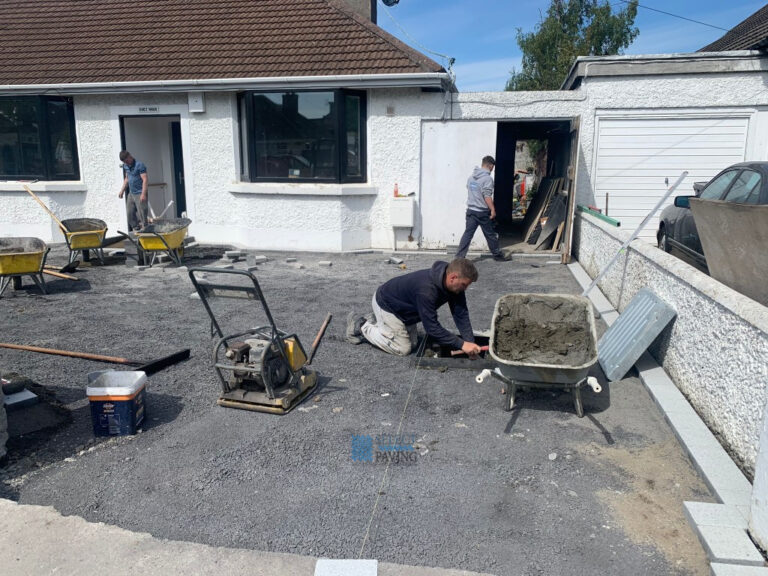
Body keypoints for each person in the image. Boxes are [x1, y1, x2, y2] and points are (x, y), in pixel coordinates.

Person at [346, 258, 483, 358]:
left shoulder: (455, 286)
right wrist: (461, 344)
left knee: (414, 344)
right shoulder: (427, 290)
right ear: (453, 277)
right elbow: (432, 328)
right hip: (387, 305)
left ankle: (378, 321)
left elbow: (461, 314)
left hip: (404, 309)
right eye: (465, 284)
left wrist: (469, 343)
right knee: (403, 348)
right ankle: (362, 326)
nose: (466, 288)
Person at [455, 155, 510, 261]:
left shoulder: (471, 177)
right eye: (493, 166)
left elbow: (470, 189)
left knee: (468, 234)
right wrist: (493, 209)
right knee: (490, 234)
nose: (493, 169)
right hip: (482, 212)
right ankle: (497, 256)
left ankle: (459, 257)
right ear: (490, 165)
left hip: (471, 211)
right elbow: (487, 196)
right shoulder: (487, 179)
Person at [118, 150, 148, 231]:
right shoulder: (126, 166)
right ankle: (136, 227)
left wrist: (143, 194)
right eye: (124, 162)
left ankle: (145, 228)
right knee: (129, 213)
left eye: (127, 160)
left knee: (142, 212)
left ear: (130, 156)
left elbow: (145, 179)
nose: (126, 163)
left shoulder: (139, 165)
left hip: (140, 193)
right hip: (131, 193)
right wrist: (122, 191)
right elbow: (127, 179)